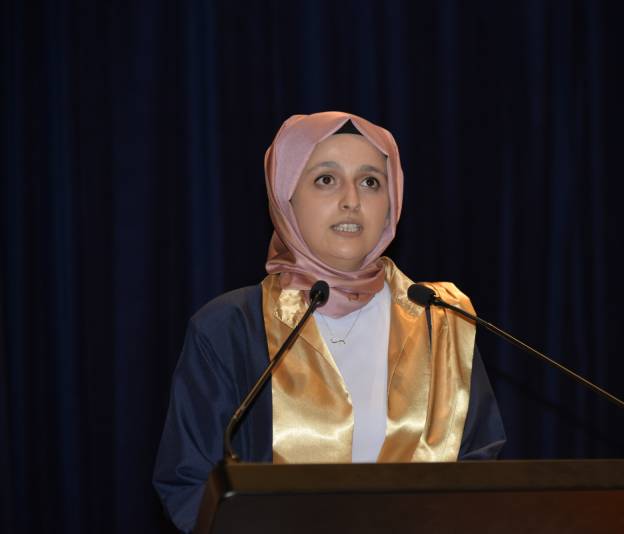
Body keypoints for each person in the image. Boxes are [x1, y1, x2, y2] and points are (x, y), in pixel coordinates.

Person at [153, 111, 505, 533]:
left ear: (392, 204)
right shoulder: (229, 327)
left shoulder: (441, 319)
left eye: (370, 181)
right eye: (326, 179)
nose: (352, 199)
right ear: (286, 197)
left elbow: (479, 468)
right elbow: (190, 483)